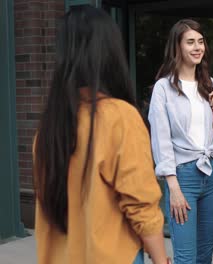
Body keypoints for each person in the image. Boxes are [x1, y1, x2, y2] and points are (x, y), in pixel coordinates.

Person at [33, 5, 169, 264]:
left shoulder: (48, 130)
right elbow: (141, 206)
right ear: (109, 52)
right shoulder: (119, 117)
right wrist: (162, 259)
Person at [148, 19, 213, 264]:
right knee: (186, 258)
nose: (197, 47)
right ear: (177, 47)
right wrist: (173, 187)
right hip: (183, 177)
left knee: (205, 256)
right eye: (190, 42)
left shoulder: (210, 84)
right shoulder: (163, 88)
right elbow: (161, 141)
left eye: (200, 42)